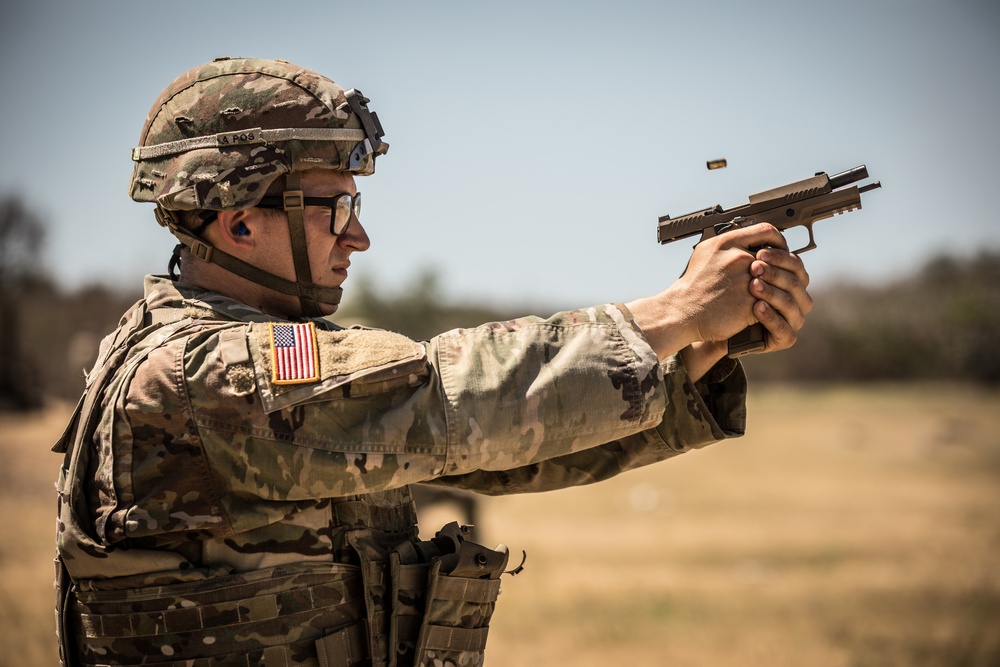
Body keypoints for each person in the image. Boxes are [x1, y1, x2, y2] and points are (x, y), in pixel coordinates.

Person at [53, 57, 812, 667]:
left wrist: (694, 359)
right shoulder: (202, 371)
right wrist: (671, 314)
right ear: (240, 218)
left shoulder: (203, 354)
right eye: (336, 208)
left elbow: (499, 453)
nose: (359, 239)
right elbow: (451, 402)